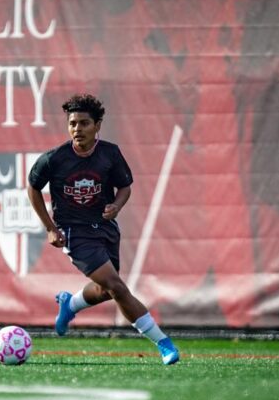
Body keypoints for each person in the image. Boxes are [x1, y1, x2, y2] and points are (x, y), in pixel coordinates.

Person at [27, 93, 179, 365]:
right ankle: (163, 343)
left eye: (84, 123)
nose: (77, 129)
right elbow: (33, 187)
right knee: (117, 287)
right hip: (75, 232)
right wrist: (50, 228)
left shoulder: (110, 153)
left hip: (106, 229)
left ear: (97, 126)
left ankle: (70, 304)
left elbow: (125, 187)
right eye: (72, 123)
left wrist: (117, 206)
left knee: (106, 290)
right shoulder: (54, 159)